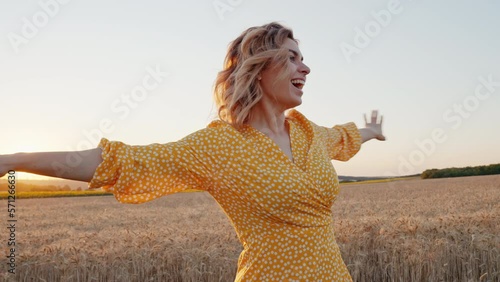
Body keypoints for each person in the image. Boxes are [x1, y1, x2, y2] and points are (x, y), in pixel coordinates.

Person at [0, 22, 385, 281]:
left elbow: (345, 136)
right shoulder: (219, 146)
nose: (307, 67)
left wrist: (371, 130)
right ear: (259, 67)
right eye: (292, 57)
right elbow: (123, 162)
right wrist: (14, 160)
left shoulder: (308, 132)